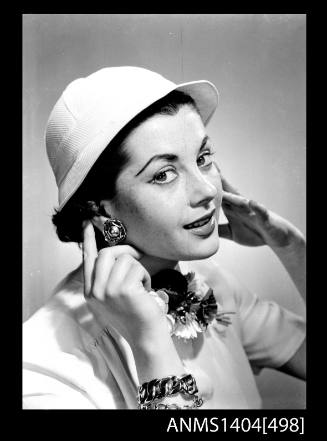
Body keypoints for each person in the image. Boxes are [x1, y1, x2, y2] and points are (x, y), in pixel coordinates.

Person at [23, 66, 306, 409]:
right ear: (100, 211)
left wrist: (291, 248)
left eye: (203, 158)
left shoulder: (215, 285)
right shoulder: (41, 367)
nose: (206, 190)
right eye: (164, 175)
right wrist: (150, 343)